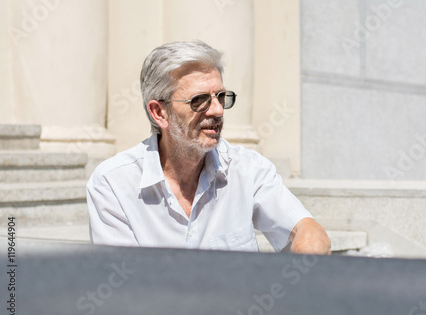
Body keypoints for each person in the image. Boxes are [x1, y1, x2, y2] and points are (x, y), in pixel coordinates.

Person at [87, 40, 331, 255]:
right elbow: (123, 289)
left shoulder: (247, 169)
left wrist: (309, 245)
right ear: (159, 112)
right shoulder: (113, 184)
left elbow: (307, 229)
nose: (217, 110)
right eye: (199, 100)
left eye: (221, 97)